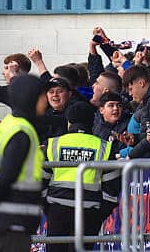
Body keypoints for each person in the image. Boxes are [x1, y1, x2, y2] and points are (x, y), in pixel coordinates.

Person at [0, 74, 46, 252]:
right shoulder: (22, 132)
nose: (46, 100)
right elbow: (6, 175)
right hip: (15, 217)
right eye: (42, 95)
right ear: (30, 98)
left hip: (9, 216)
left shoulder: (10, 124)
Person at [43, 102, 119, 252]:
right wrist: (99, 214)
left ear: (69, 122)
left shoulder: (53, 145)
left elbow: (40, 180)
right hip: (89, 211)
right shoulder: (104, 147)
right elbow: (112, 186)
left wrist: (48, 208)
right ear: (92, 122)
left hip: (57, 209)